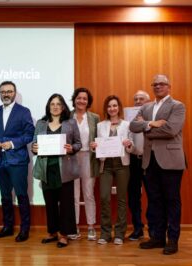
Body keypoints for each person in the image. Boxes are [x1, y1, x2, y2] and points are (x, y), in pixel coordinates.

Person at [130, 74, 186, 255]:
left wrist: (147, 129)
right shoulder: (146, 107)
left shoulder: (177, 106)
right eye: (154, 84)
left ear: (169, 86)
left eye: (161, 84)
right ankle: (158, 237)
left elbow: (171, 130)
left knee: (172, 200)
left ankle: (173, 240)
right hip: (150, 160)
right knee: (155, 200)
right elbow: (132, 126)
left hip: (170, 161)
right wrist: (152, 123)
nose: (158, 87)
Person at [32, 94, 81, 248]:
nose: (55, 106)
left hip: (64, 169)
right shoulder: (41, 123)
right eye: (52, 104)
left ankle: (64, 234)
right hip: (46, 169)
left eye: (58, 104)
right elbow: (34, 144)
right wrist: (34, 148)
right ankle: (52, 231)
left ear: (63, 107)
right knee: (50, 202)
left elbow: (78, 143)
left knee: (65, 204)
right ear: (48, 106)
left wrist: (71, 148)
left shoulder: (71, 123)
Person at [0, 81, 35, 242]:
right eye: (3, 92)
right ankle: (7, 227)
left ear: (14, 93)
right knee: (5, 196)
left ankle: (24, 229)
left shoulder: (24, 111)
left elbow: (29, 134)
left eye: (9, 91)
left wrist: (13, 143)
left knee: (22, 196)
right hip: (0, 161)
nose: (6, 94)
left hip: (18, 161)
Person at [91, 95, 134, 245]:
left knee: (122, 199)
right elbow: (97, 144)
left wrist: (129, 144)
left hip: (122, 164)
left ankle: (120, 234)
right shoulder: (100, 125)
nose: (112, 108)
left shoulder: (127, 125)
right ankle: (105, 233)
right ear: (106, 109)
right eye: (109, 106)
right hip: (106, 165)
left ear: (119, 108)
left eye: (115, 105)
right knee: (104, 198)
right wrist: (94, 146)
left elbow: (132, 147)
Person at [70, 87, 100, 241]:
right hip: (71, 158)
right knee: (73, 195)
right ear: (74, 99)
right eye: (79, 98)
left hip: (89, 158)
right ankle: (74, 226)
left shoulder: (95, 117)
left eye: (85, 99)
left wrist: (97, 144)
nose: (81, 101)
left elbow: (100, 138)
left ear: (88, 102)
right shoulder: (67, 116)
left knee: (88, 194)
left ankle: (91, 227)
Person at [127, 90, 150, 241]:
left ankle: (154, 229)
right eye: (136, 99)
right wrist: (130, 146)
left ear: (148, 101)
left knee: (153, 195)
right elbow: (128, 136)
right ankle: (138, 228)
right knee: (133, 196)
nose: (138, 101)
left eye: (141, 99)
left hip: (150, 160)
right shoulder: (130, 117)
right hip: (134, 159)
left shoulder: (154, 116)